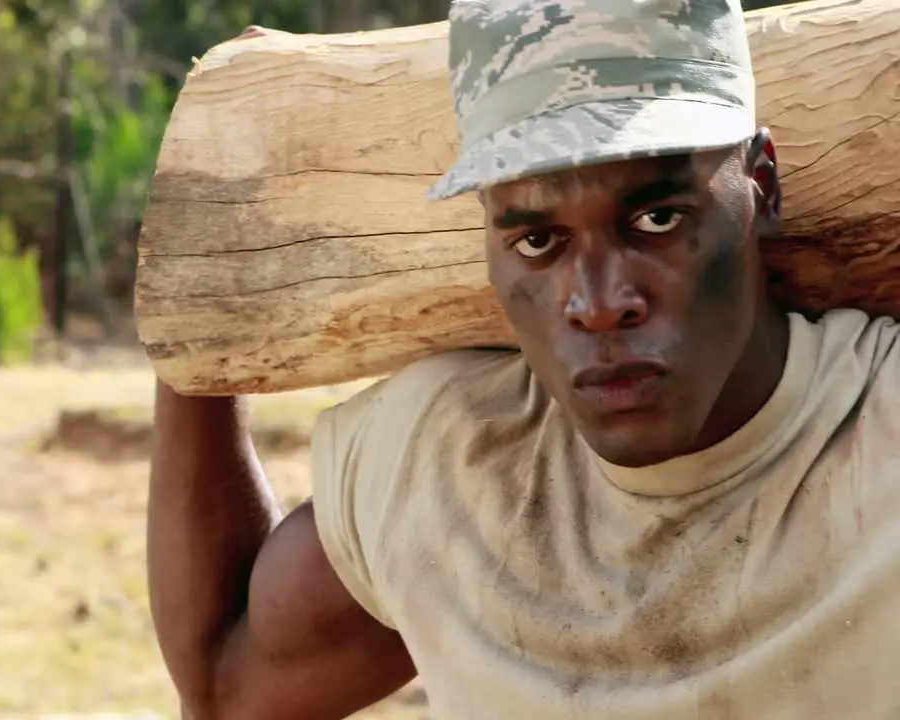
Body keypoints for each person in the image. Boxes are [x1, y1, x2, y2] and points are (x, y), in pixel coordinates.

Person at [147, 0, 900, 717]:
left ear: (760, 185)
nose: (599, 303)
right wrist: (202, 311)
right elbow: (225, 691)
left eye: (657, 217)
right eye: (539, 241)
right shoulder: (442, 462)